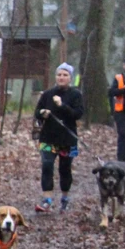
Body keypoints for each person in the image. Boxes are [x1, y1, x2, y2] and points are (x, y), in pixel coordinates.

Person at [34, 63, 84, 213]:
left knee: (65, 169)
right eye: (59, 75)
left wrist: (62, 105)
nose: (61, 78)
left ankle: (65, 198)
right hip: (48, 138)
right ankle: (47, 200)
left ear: (70, 78)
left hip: (68, 139)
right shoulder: (47, 94)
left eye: (65, 75)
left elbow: (78, 114)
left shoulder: (76, 95)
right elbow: (37, 111)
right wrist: (42, 113)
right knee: (47, 166)